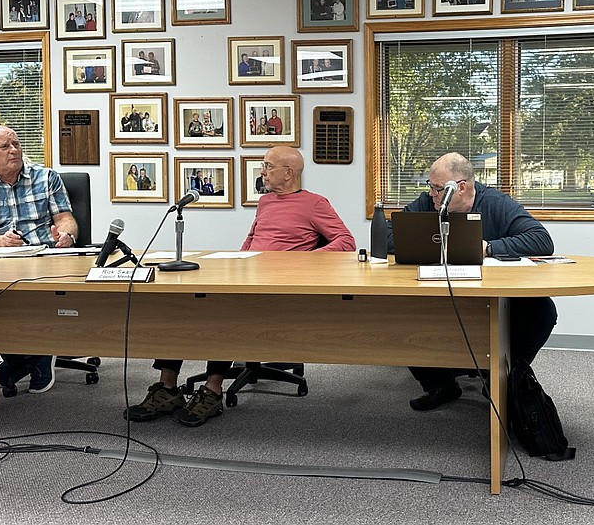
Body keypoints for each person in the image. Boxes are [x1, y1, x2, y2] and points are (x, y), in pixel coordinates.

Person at [125, 146, 356, 427]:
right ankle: (167, 388)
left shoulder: (315, 203)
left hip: (277, 289)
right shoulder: (266, 202)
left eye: (268, 166)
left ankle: (212, 390)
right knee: (181, 306)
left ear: (289, 173)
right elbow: (251, 239)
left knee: (223, 314)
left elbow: (346, 242)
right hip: (247, 276)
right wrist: (236, 263)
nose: (262, 172)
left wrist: (301, 261)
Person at [387, 152, 557, 410]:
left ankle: (500, 376)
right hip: (436, 292)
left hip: (492, 295)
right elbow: (389, 238)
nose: (431, 194)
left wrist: (488, 247)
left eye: (437, 188)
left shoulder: (496, 204)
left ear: (461, 187)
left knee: (542, 311)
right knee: (397, 309)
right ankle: (439, 384)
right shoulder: (428, 203)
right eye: (430, 187)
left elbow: (541, 241)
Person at [0, 125, 79, 396]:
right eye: (4, 146)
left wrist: (67, 236)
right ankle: (23, 358)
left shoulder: (46, 177)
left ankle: (39, 352)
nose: (13, 150)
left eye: (16, 144)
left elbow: (65, 219)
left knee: (34, 299)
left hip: (43, 257)